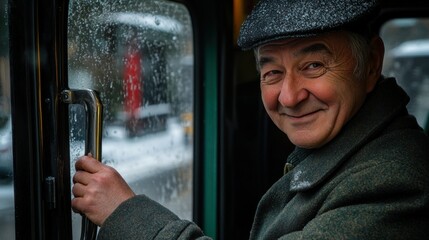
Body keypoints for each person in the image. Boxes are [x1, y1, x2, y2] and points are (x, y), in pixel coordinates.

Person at [71, 0, 429, 239]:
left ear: (371, 65)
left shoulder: (396, 181)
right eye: (271, 72)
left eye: (314, 66)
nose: (288, 96)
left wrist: (126, 214)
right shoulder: (349, 152)